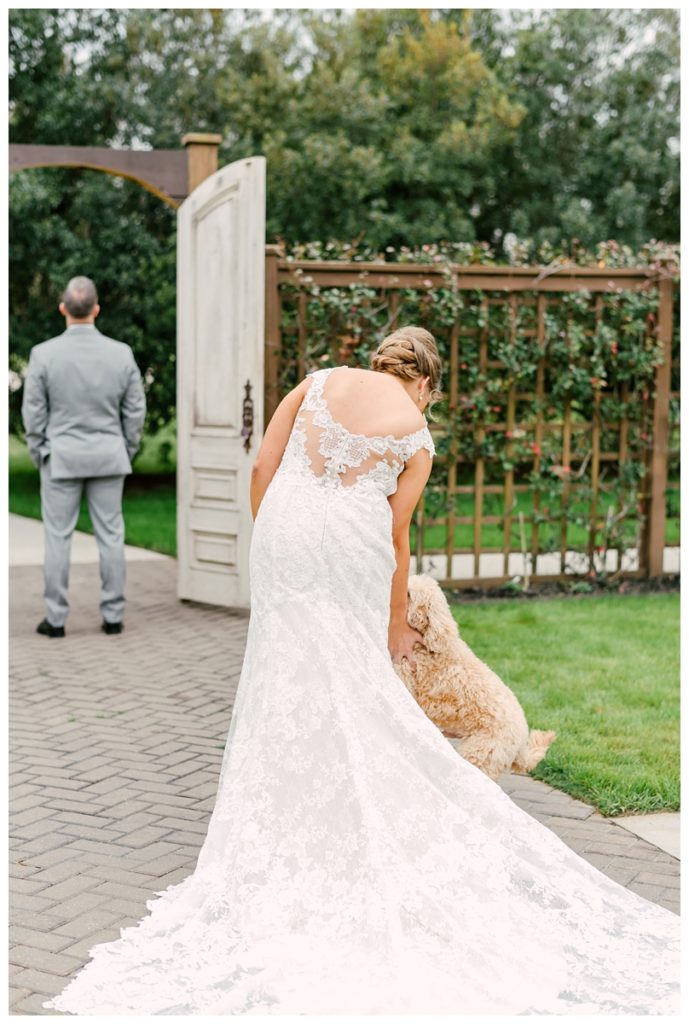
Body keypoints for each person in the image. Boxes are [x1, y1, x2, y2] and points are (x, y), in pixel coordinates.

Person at [43, 327, 679, 1014]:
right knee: (356, 681)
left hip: (284, 535)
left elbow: (263, 468)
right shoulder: (416, 434)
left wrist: (279, 536)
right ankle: (356, 807)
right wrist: (395, 623)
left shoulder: (316, 381)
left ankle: (291, 811)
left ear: (382, 360)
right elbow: (397, 532)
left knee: (283, 678)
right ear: (425, 383)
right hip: (352, 548)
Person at [21, 276, 146, 638]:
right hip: (109, 455)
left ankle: (56, 619)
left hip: (60, 457)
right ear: (96, 309)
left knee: (57, 538)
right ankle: (112, 616)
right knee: (111, 535)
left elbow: (33, 414)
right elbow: (135, 410)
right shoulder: (120, 353)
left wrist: (39, 451)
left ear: (63, 308)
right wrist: (127, 448)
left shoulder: (43, 354)